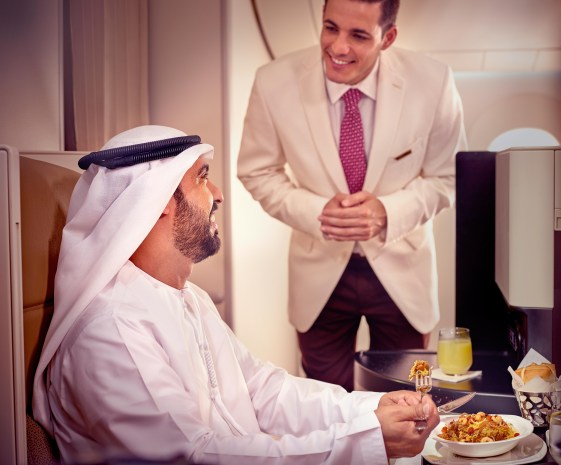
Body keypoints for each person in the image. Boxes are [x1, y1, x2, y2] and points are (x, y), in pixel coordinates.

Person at [31, 125, 440, 465]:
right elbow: (192, 456)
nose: (218, 194)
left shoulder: (189, 299)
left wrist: (372, 409)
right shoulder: (110, 332)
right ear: (157, 201)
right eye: (202, 178)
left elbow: (263, 391)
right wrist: (365, 439)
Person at [237, 0, 468, 391]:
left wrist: (387, 213)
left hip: (403, 270)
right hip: (317, 275)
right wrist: (317, 213)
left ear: (388, 37)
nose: (338, 47)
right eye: (330, 27)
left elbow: (449, 176)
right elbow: (256, 170)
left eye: (359, 35)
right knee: (323, 404)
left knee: (405, 399)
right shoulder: (272, 82)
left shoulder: (434, 82)